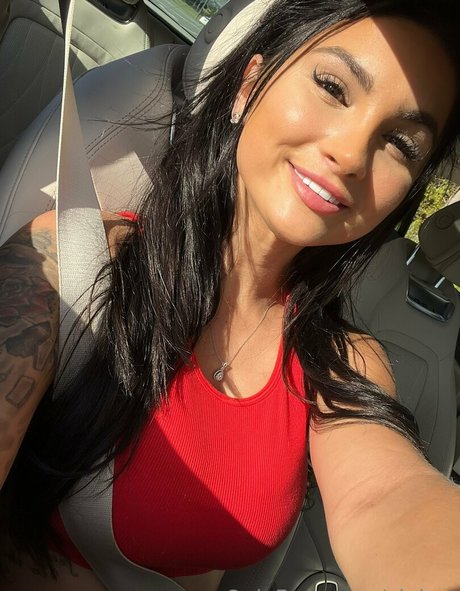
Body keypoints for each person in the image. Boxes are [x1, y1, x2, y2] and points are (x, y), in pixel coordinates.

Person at [0, 0, 459, 589]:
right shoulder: (70, 259)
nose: (350, 154)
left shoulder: (346, 364)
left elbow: (386, 494)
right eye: (331, 87)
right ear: (248, 86)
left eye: (400, 143)